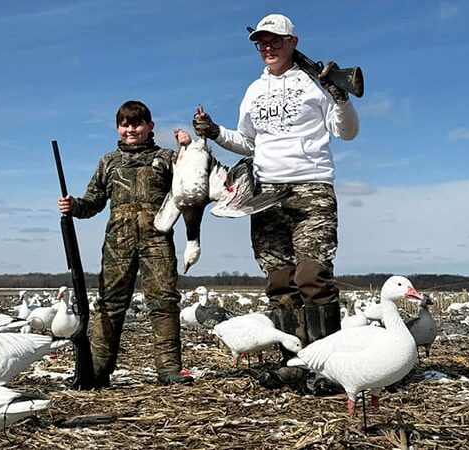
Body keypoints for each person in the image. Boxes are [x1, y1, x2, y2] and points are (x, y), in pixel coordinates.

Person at [192, 14, 359, 393]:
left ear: (293, 41)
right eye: (261, 43)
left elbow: (346, 132)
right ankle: (294, 363)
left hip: (310, 187)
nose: (268, 48)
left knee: (312, 277)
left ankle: (328, 366)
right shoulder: (253, 90)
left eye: (275, 41)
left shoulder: (316, 83)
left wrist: (340, 97)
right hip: (264, 193)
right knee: (279, 282)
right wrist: (215, 132)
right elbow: (248, 142)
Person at [57, 100, 194, 388]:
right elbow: (93, 201)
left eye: (137, 123)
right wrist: (74, 206)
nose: (130, 129)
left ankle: (170, 369)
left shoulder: (166, 158)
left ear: (150, 126)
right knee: (109, 304)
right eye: (124, 124)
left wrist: (188, 148)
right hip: (117, 242)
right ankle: (96, 371)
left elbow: (192, 181)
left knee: (164, 302)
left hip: (157, 239)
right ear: (118, 128)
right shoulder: (109, 162)